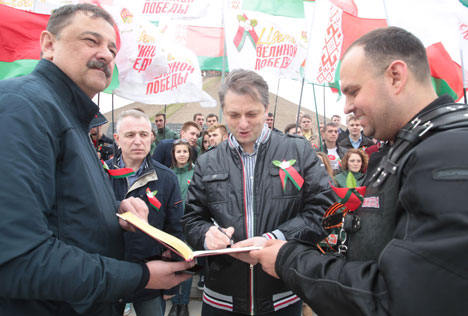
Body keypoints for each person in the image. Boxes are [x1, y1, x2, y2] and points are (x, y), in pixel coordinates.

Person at [252, 26, 468, 316]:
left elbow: (399, 296)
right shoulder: (409, 145)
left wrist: (288, 259)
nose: (347, 106)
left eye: (353, 91)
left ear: (396, 76)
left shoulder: (446, 152)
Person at [0, 4, 193, 316]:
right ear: (49, 44)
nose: (105, 55)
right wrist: (141, 277)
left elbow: (61, 214)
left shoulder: (72, 119)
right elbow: (18, 260)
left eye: (112, 48)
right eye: (91, 41)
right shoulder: (24, 106)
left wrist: (113, 212)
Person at [182, 69, 335, 316]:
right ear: (223, 111)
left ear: (266, 110)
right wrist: (206, 234)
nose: (242, 123)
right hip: (222, 298)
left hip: (281, 293)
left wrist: (275, 238)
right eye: (233, 114)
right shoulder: (208, 161)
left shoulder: (297, 150)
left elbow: (324, 211)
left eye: (252, 114)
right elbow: (191, 219)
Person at [106, 110, 185, 316]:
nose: (138, 141)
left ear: (152, 136)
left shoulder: (167, 178)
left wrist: (171, 283)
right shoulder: (100, 174)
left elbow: (175, 229)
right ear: (117, 139)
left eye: (143, 134)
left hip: (150, 277)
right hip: (108, 274)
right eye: (130, 135)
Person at [168, 140, 196, 316]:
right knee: (172, 265)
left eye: (185, 151)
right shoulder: (168, 174)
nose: (182, 154)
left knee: (187, 265)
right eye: (178, 151)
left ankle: (184, 302)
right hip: (171, 227)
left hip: (189, 226)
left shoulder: (195, 173)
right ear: (174, 154)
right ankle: (174, 301)